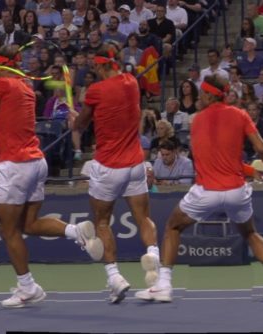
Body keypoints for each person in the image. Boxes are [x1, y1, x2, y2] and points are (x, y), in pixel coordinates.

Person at [0, 46, 100, 309]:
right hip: (36, 162)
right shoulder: (23, 86)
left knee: (8, 230)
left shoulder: (3, 84)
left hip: (15, 165)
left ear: (1, 67)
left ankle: (27, 287)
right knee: (29, 224)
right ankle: (75, 231)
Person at [135, 75, 263, 302]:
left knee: (173, 227)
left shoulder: (197, 121)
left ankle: (164, 286)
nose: (199, 97)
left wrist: (247, 169)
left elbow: (210, 160)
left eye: (202, 93)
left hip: (207, 191)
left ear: (208, 95)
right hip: (237, 190)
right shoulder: (240, 114)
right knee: (250, 233)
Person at [67, 45, 159, 304]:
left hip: (108, 167)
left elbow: (81, 125)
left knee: (102, 223)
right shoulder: (132, 82)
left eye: (95, 66)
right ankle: (153, 255)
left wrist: (74, 119)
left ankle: (115, 278)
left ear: (100, 65)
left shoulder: (96, 91)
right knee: (144, 218)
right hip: (135, 165)